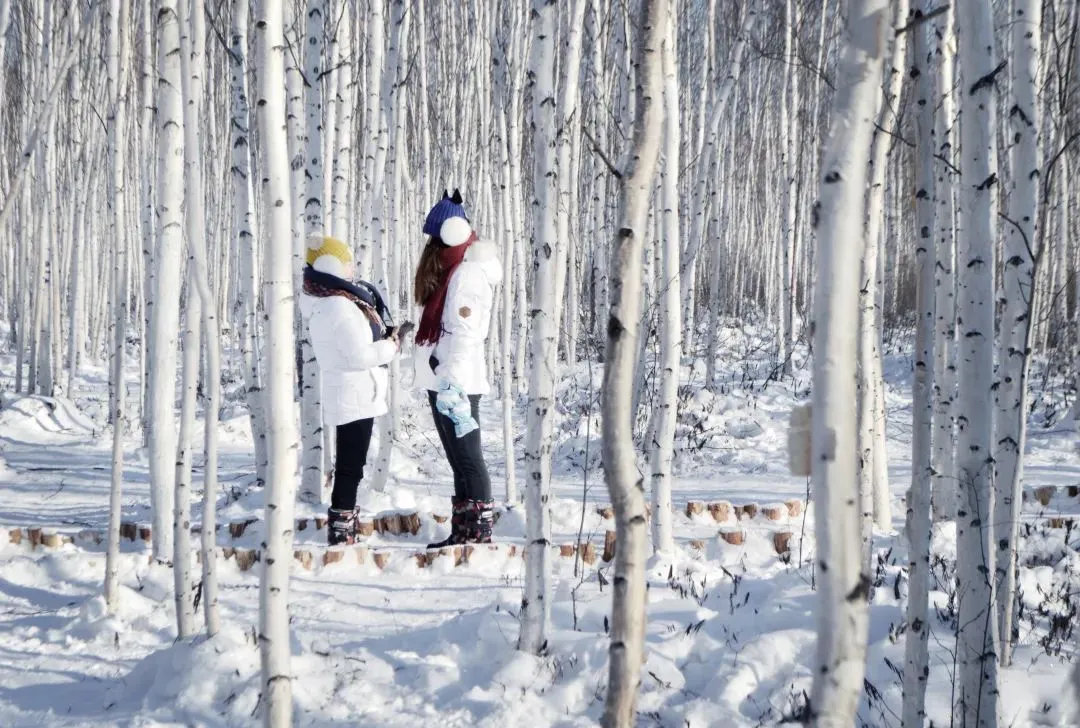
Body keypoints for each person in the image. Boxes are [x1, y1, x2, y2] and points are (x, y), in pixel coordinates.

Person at [412, 190, 502, 547]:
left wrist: (449, 377)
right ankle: (464, 530)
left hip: (457, 380)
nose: (430, 245)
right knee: (457, 458)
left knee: (468, 457)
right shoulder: (456, 272)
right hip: (446, 377)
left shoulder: (465, 275)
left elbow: (465, 332)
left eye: (434, 237)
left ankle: (478, 532)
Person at [300, 234, 401, 545]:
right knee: (350, 466)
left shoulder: (329, 301)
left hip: (352, 393)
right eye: (346, 262)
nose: (352, 267)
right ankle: (342, 526)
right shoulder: (338, 307)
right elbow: (357, 355)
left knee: (350, 464)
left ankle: (344, 520)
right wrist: (390, 347)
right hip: (354, 394)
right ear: (330, 265)